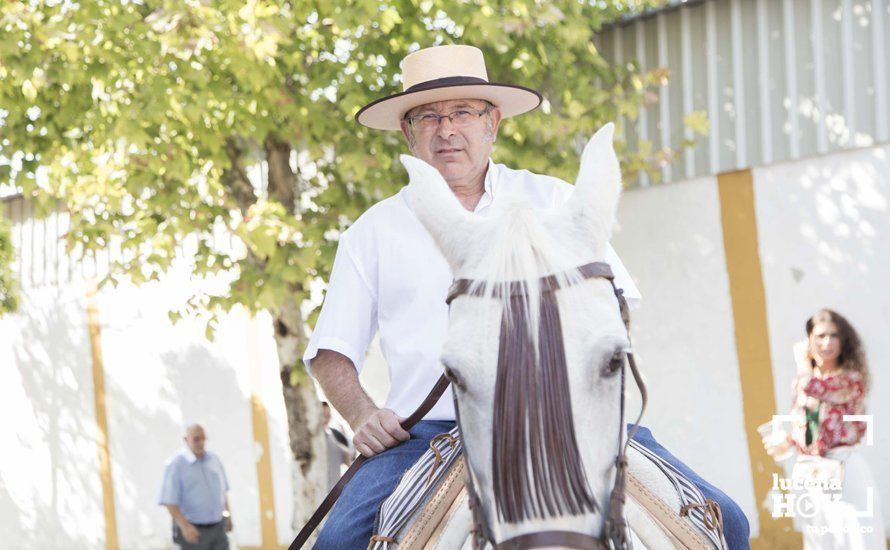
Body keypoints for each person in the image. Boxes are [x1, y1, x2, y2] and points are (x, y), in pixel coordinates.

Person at [304, 44, 749, 548]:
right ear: (408, 133)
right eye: (427, 117)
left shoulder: (555, 200)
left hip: (572, 419)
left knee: (728, 523)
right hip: (423, 436)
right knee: (336, 542)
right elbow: (330, 353)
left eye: (463, 113)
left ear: (492, 122)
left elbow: (620, 305)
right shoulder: (373, 231)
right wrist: (364, 416)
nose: (446, 129)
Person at [763, 309, 885, 549]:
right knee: (821, 542)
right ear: (810, 339)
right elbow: (805, 423)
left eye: (834, 336)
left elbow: (815, 388)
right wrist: (786, 442)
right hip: (811, 473)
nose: (827, 342)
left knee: (856, 540)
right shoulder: (803, 381)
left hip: (843, 469)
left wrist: (801, 363)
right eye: (820, 336)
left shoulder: (851, 378)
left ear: (844, 341)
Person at [158, 424, 233, 550]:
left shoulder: (214, 460)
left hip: (218, 528)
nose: (201, 442)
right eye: (196, 439)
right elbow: (169, 501)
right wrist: (185, 526)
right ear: (186, 439)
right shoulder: (176, 464)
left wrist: (228, 515)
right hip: (193, 531)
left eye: (203, 438)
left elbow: (222, 491)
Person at [322, 402, 354, 490]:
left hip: (333, 493)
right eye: (322, 415)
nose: (325, 420)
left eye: (328, 416)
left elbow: (349, 460)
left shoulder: (335, 436)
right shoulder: (309, 440)